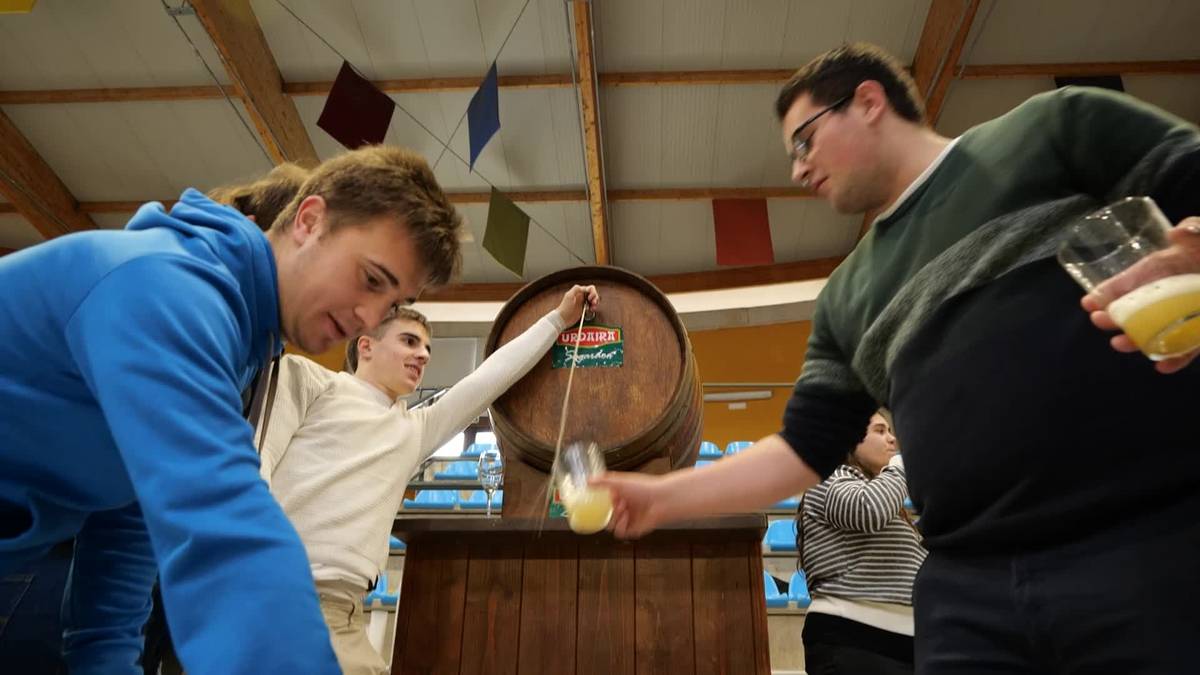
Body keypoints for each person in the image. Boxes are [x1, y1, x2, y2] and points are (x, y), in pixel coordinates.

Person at [595, 42, 1200, 673]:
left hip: (1152, 543)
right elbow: (802, 451)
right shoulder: (847, 292)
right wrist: (664, 498)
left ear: (867, 101)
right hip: (967, 596)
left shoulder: (1053, 126)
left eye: (804, 141)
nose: (798, 171)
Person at [0, 145, 462, 674]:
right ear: (310, 221)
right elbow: (225, 536)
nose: (367, 317)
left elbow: (129, 514)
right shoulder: (168, 291)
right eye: (371, 280)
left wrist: (104, 657)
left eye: (390, 304)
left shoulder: (244, 346)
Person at [257, 284, 598, 675]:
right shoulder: (311, 381)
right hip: (279, 596)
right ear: (365, 346)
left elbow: (489, 378)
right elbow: (255, 463)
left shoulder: (415, 428)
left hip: (347, 614)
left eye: (427, 349)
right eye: (409, 341)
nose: (423, 355)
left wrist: (559, 319)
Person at [797, 411, 924, 674]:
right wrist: (901, 464)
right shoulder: (827, 477)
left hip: (903, 646)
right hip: (853, 640)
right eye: (880, 431)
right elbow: (868, 509)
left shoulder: (888, 499)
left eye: (890, 431)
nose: (892, 439)